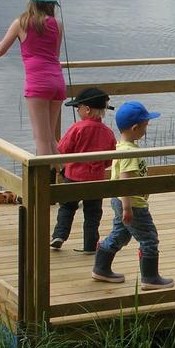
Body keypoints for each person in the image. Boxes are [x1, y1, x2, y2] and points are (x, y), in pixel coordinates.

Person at [0, 0, 65, 156]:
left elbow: (0, 49)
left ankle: (46, 182)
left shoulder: (21, 23)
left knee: (41, 140)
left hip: (38, 84)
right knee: (51, 138)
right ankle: (62, 177)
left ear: (31, 3)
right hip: (57, 81)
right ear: (52, 5)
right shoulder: (57, 24)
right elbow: (56, 54)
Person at [93, 101, 174, 290]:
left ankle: (101, 268)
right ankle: (150, 278)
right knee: (149, 238)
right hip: (132, 203)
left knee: (120, 235)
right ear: (135, 128)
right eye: (145, 126)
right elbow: (125, 180)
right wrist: (128, 207)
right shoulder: (130, 152)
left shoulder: (120, 146)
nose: (146, 130)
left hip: (120, 200)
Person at [50, 88, 117, 254]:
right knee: (93, 214)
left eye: (78, 107)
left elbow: (62, 149)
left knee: (67, 207)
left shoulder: (77, 128)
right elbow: (110, 158)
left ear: (86, 109)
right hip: (96, 180)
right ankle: (90, 245)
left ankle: (59, 235)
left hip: (73, 177)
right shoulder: (108, 132)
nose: (77, 111)